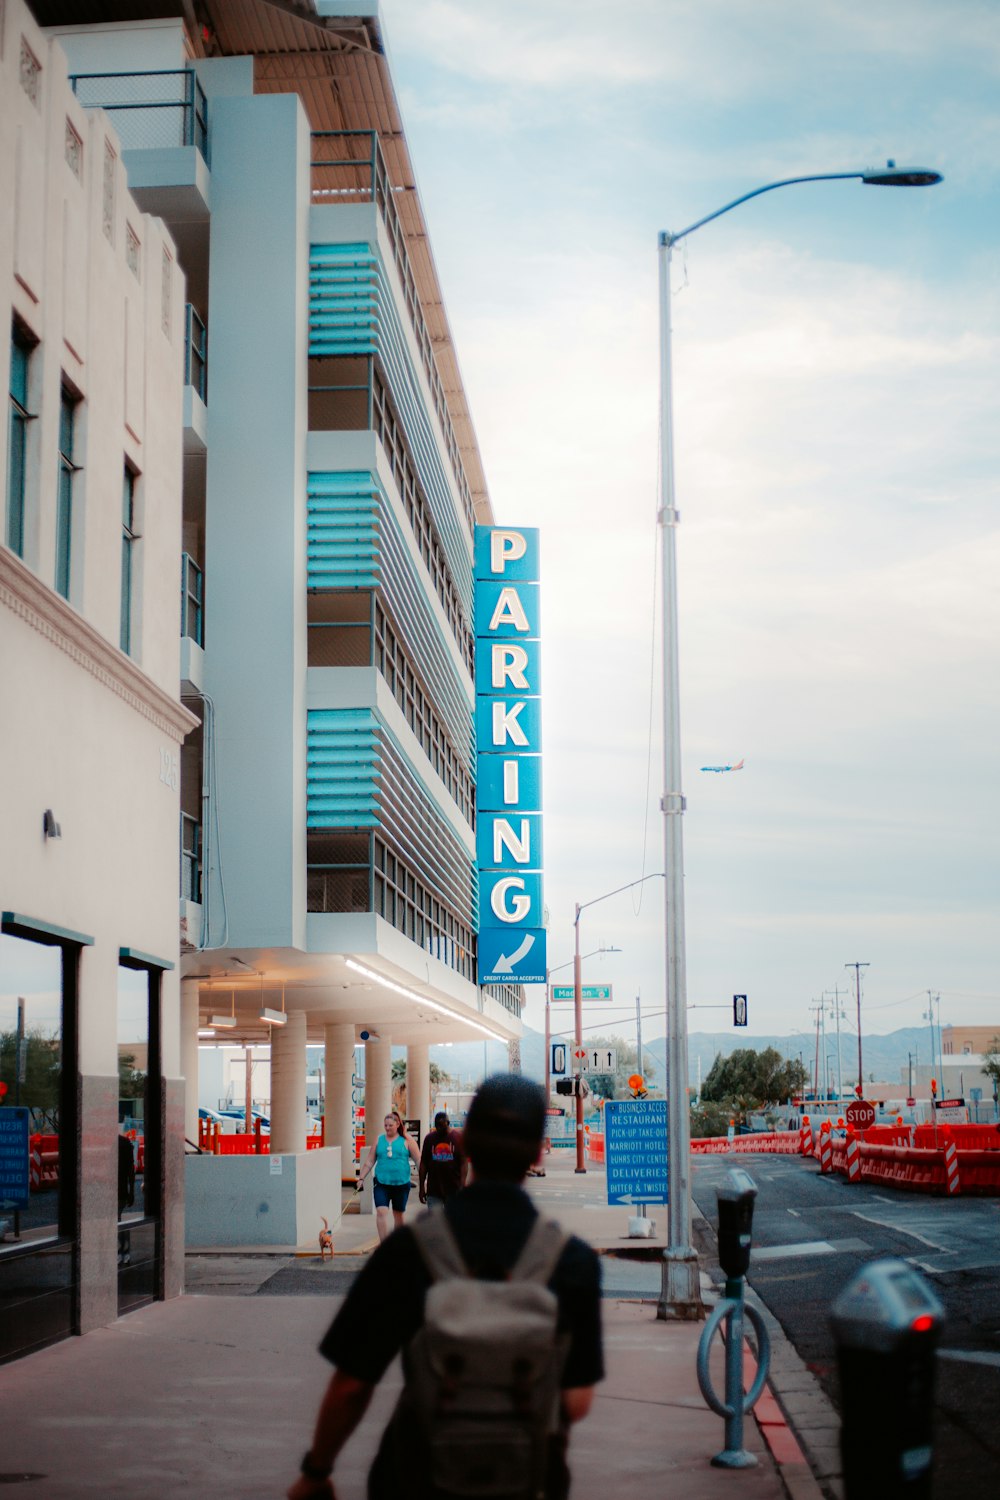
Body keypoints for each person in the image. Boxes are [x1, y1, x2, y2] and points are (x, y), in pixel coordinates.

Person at [288, 1074, 603, 1500]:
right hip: (529, 1479)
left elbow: (352, 1384)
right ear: (536, 1152)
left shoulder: (408, 1251)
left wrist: (317, 1471)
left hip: (414, 1475)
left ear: (465, 1140)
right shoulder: (572, 1261)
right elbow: (577, 1401)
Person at [357, 1110, 420, 1241]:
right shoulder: (379, 1140)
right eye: (385, 1125)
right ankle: (384, 1244)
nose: (387, 1128)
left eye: (390, 1125)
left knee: (398, 1215)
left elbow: (418, 1160)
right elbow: (369, 1161)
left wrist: (425, 1180)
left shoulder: (407, 1139)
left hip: (401, 1183)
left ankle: (397, 1243)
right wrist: (361, 1178)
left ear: (397, 1124)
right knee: (381, 1211)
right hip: (381, 1182)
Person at [418, 1110, 466, 1207]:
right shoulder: (429, 1139)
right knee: (435, 1220)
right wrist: (422, 1187)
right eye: (437, 1126)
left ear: (448, 1123)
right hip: (434, 1190)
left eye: (442, 1125)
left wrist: (462, 1185)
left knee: (452, 1220)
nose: (439, 1128)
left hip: (454, 1189)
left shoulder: (458, 1138)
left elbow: (463, 1163)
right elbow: (423, 1163)